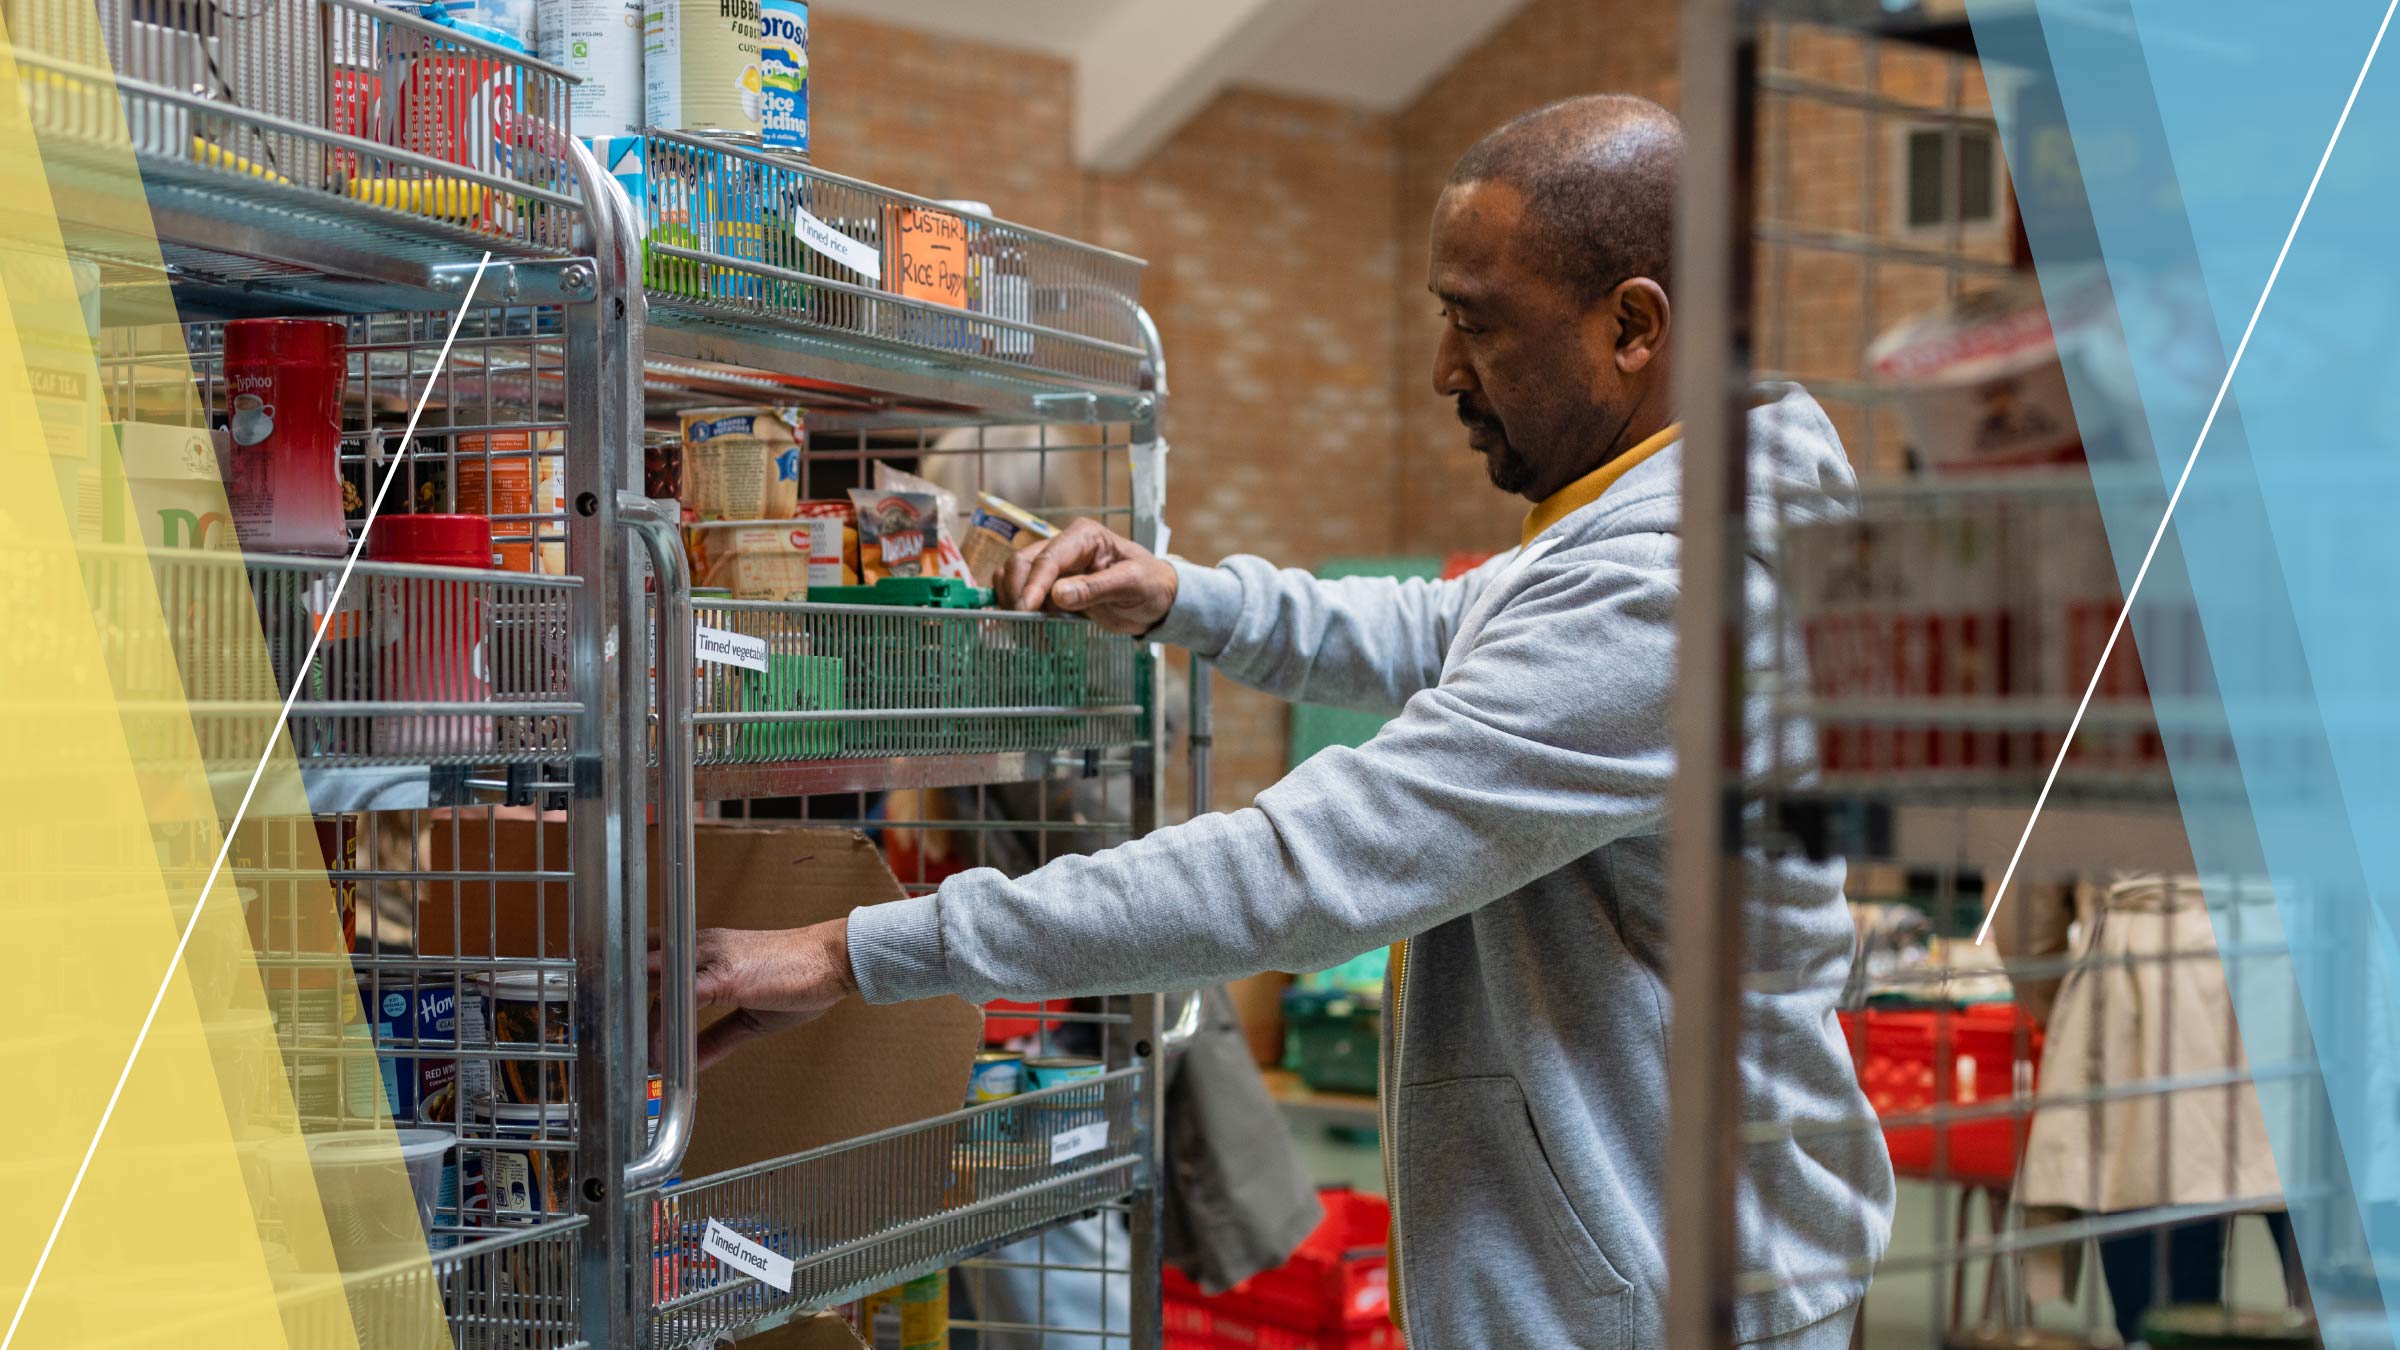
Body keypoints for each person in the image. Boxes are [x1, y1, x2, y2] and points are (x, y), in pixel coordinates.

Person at [683, 95, 1895, 1347]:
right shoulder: (1639, 521)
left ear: (1632, 326)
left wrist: (850, 951)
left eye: (1476, 324)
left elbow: (1300, 870)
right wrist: (1180, 595)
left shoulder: (1675, 590)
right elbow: (1432, 630)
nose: (1442, 371)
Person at [1998, 873, 2304, 1343]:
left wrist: (2076, 1011)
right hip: (2314, 966)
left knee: (2163, 1314)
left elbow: (2026, 925)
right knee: (2354, 1304)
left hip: (2143, 996)